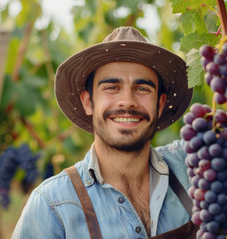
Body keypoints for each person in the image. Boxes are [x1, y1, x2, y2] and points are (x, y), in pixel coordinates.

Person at [12, 26, 195, 238]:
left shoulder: (191, 167)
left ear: (160, 104)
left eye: (142, 88)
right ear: (88, 102)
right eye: (111, 88)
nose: (127, 101)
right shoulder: (51, 206)